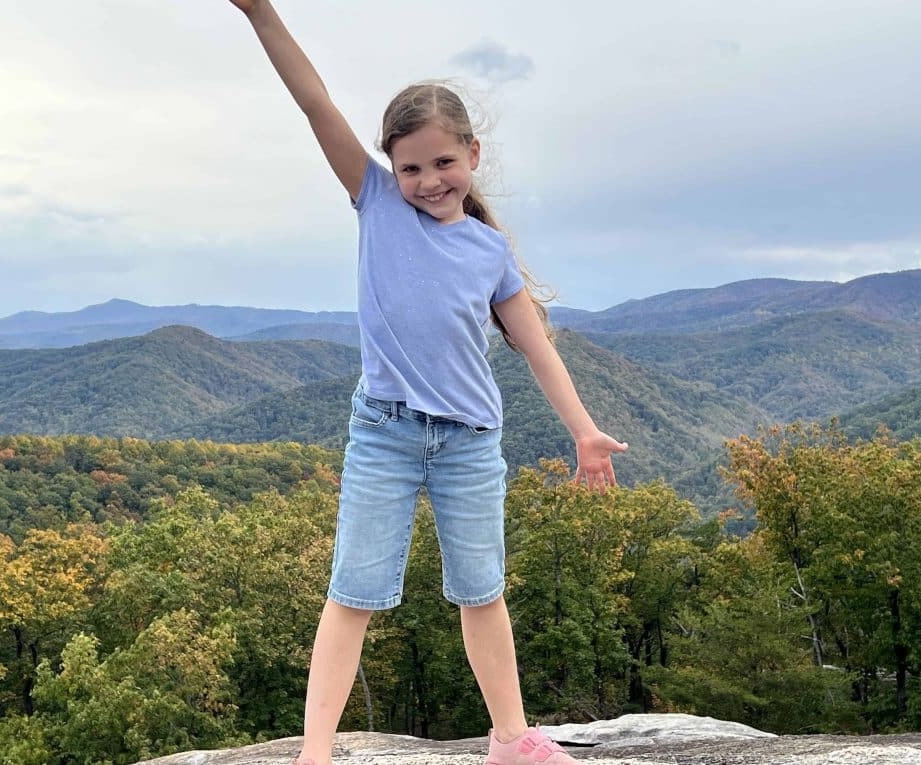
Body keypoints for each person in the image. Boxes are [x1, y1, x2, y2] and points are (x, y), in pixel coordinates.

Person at [226, 2, 628, 763]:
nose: (426, 179)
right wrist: (261, 13)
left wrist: (583, 429)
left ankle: (509, 739)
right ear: (391, 168)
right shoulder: (375, 202)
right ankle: (316, 753)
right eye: (409, 166)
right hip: (385, 431)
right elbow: (314, 101)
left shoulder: (488, 250)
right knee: (353, 594)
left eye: (443, 163)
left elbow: (535, 344)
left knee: (483, 592)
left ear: (472, 155)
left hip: (472, 442)